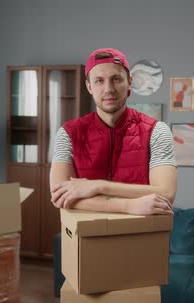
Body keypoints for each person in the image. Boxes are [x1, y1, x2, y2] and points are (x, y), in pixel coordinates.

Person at [49, 48, 177, 215]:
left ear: (129, 82)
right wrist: (130, 206)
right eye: (99, 81)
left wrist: (97, 186)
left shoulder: (157, 131)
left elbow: (166, 193)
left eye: (116, 79)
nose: (108, 89)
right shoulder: (68, 133)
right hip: (86, 238)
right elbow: (60, 196)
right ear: (89, 86)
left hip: (142, 237)